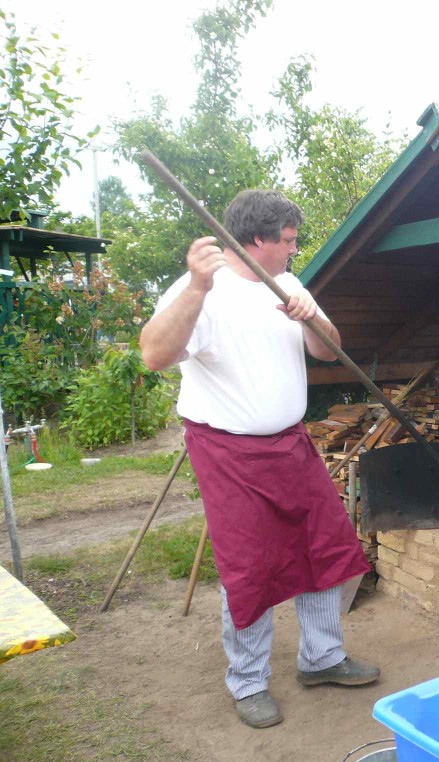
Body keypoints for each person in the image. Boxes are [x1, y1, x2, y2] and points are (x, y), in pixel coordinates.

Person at [140, 190, 377, 729]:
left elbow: (329, 350)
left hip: (290, 440)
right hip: (227, 450)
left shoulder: (288, 284)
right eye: (288, 242)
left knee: (324, 544)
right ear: (256, 241)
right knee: (250, 567)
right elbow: (153, 354)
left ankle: (322, 659)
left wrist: (312, 318)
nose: (294, 250)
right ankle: (247, 681)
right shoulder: (199, 290)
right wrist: (198, 286)